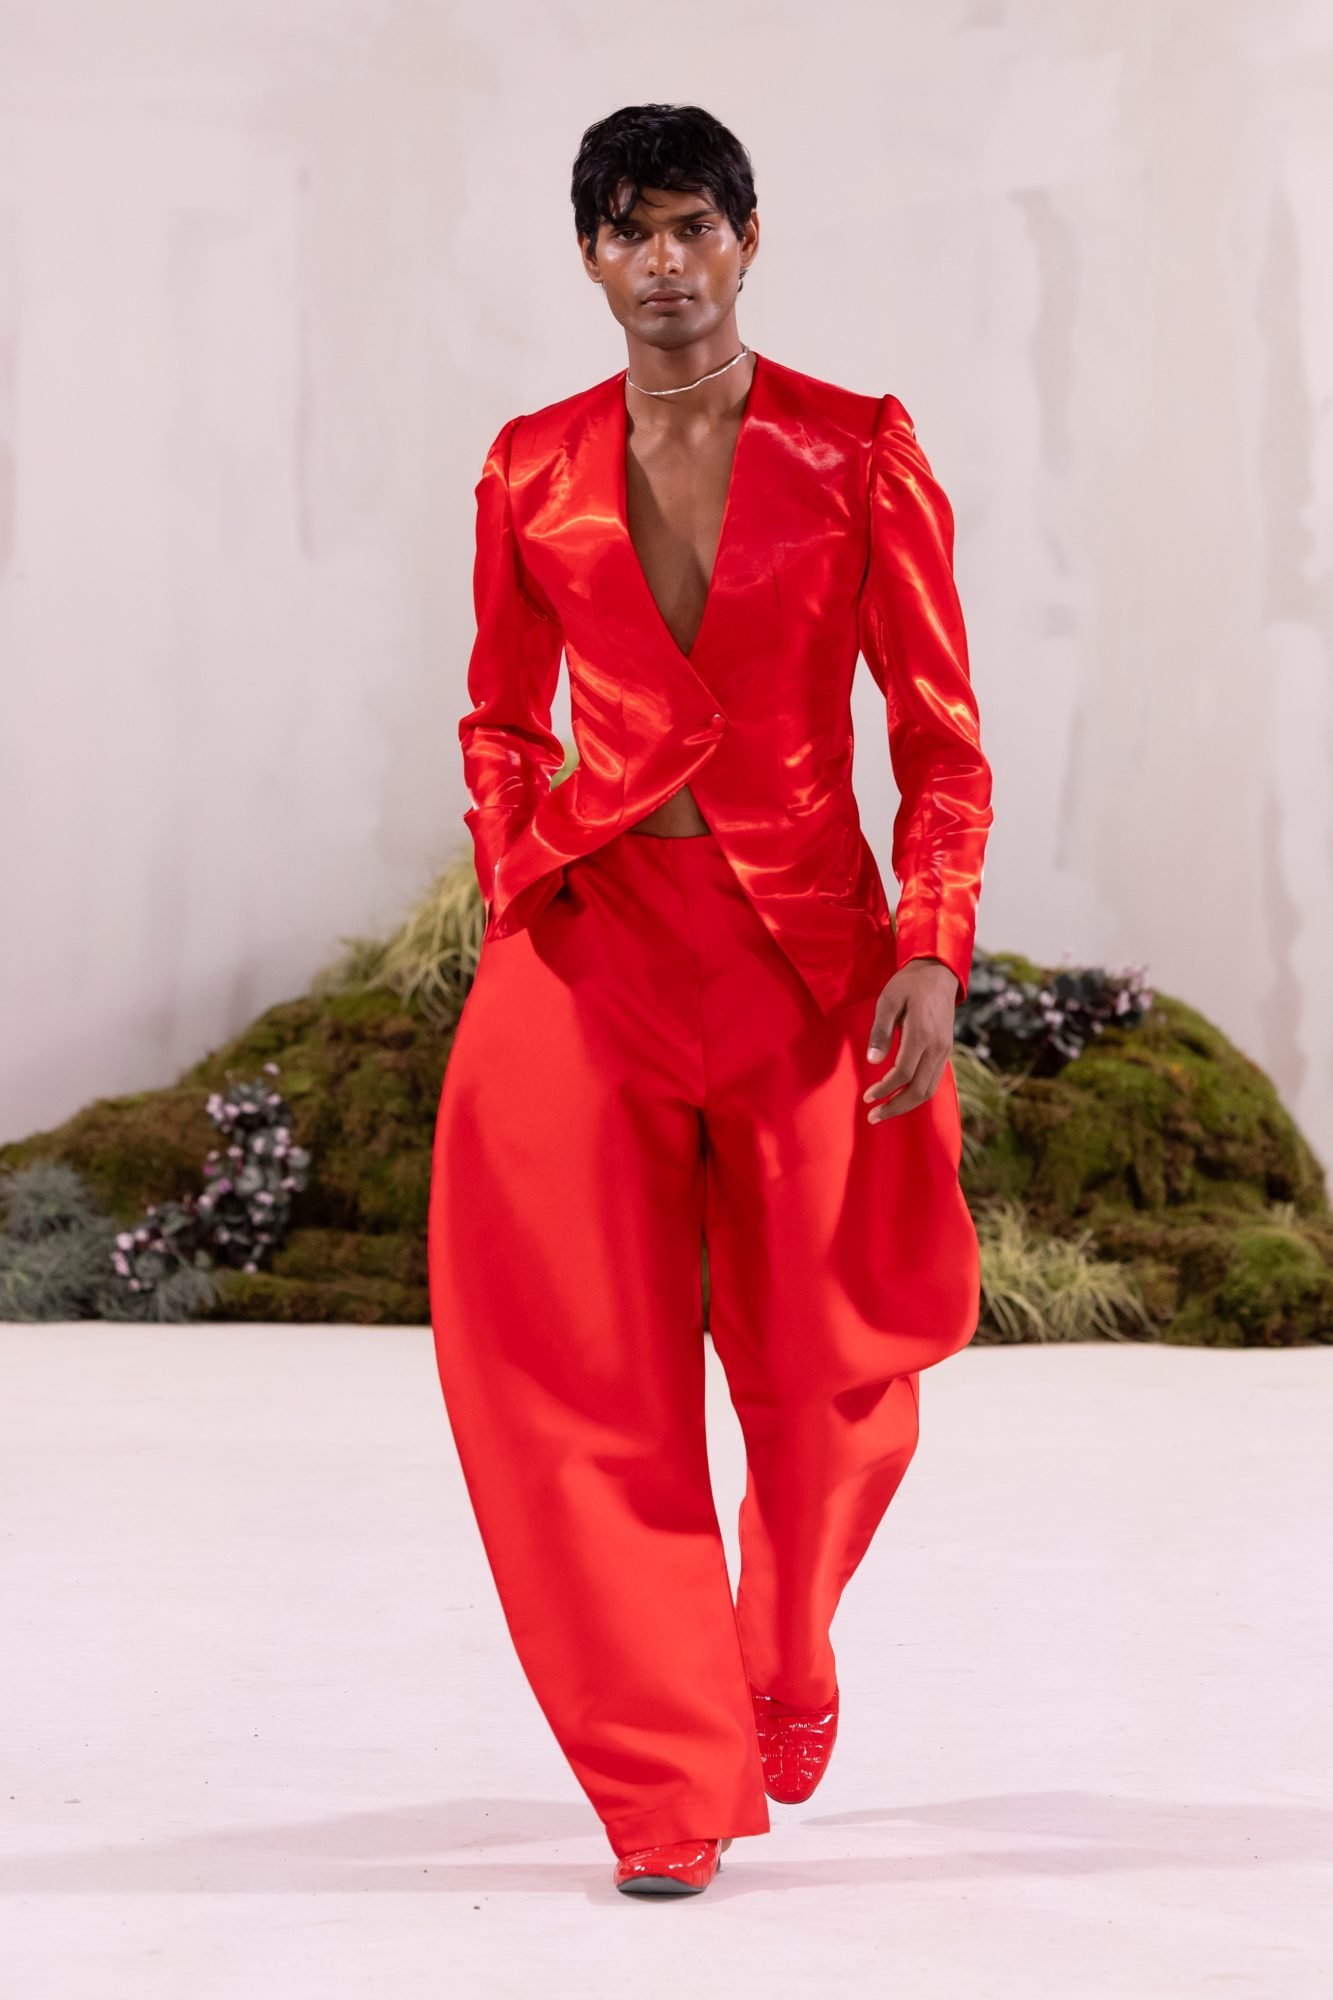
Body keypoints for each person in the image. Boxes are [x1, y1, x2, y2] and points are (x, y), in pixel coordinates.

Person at [427, 101, 994, 1899]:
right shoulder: (529, 465)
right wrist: (521, 879)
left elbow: (939, 739)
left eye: (691, 225)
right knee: (572, 1369)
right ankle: (665, 1790)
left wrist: (929, 943)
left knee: (830, 1378)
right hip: (587, 949)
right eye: (628, 231)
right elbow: (500, 716)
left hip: (803, 961)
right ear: (586, 259)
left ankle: (785, 1637)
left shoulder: (856, 448)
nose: (662, 261)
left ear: (747, 239)